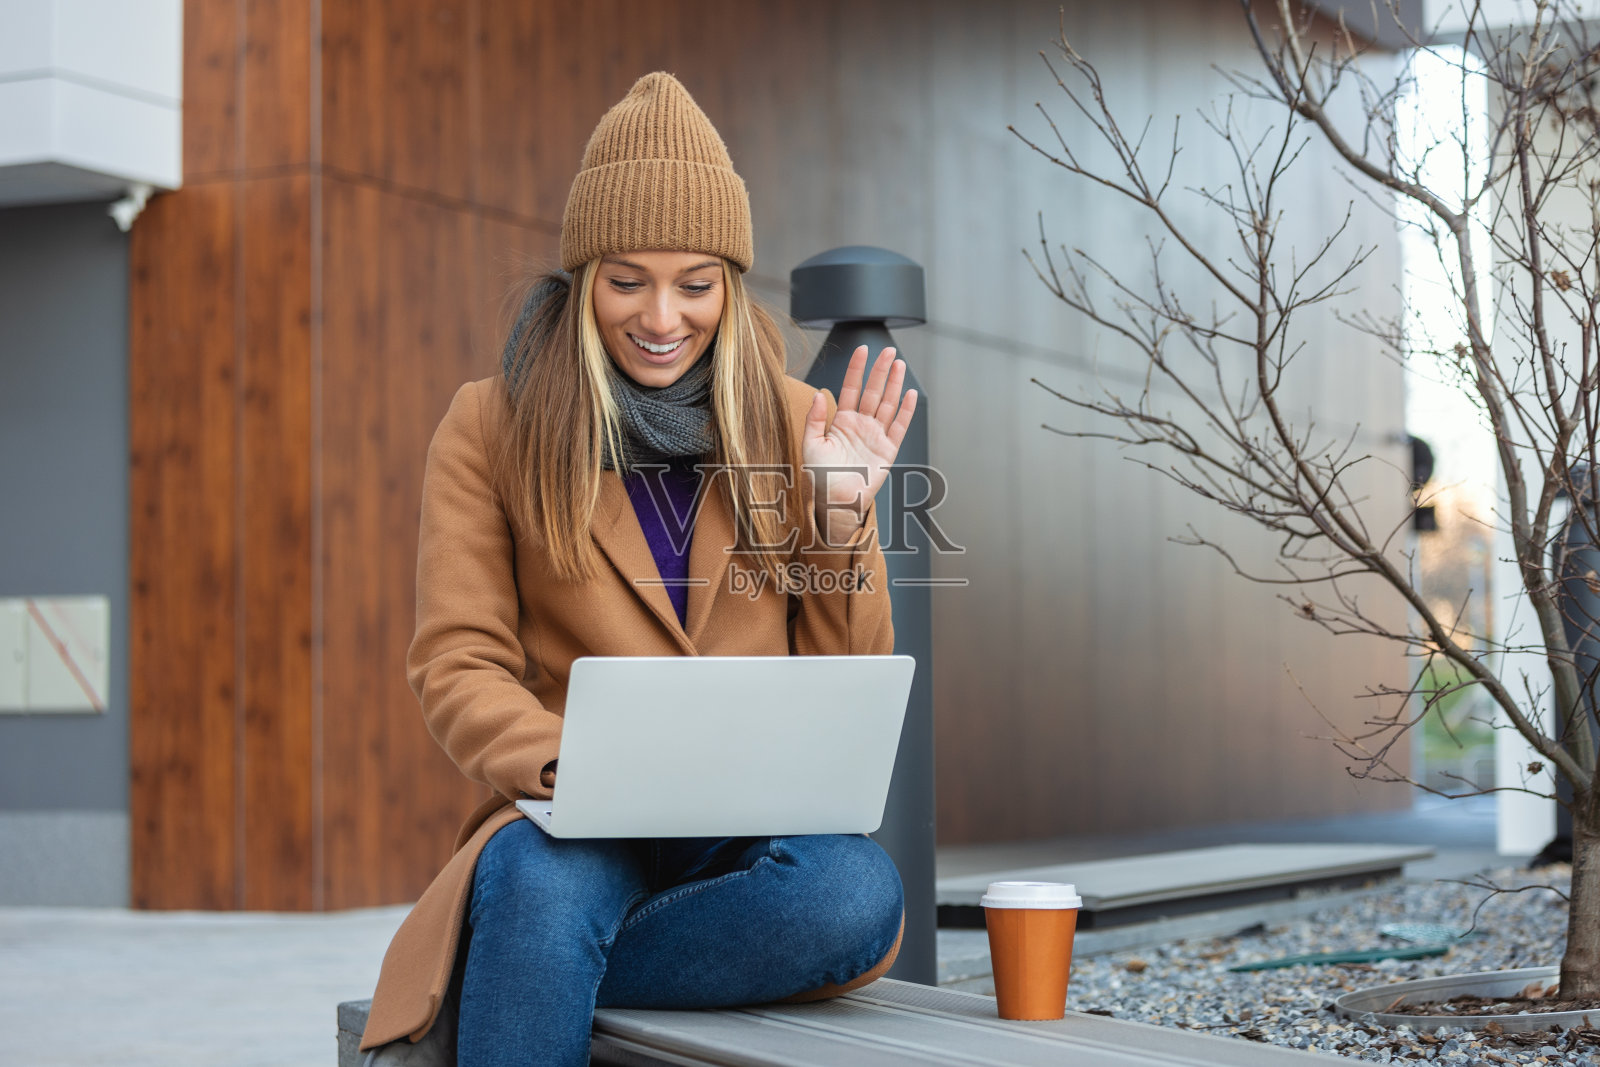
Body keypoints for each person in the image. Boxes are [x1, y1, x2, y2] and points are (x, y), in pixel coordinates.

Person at [358, 72, 919, 1067]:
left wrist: (840, 517)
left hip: (747, 826)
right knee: (539, 890)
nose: (661, 315)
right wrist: (582, 772)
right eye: (627, 280)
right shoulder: (488, 426)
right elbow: (457, 661)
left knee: (853, 893)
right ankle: (536, 943)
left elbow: (851, 669)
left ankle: (532, 964)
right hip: (568, 817)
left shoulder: (799, 421)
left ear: (729, 285)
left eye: (694, 283)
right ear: (583, 279)